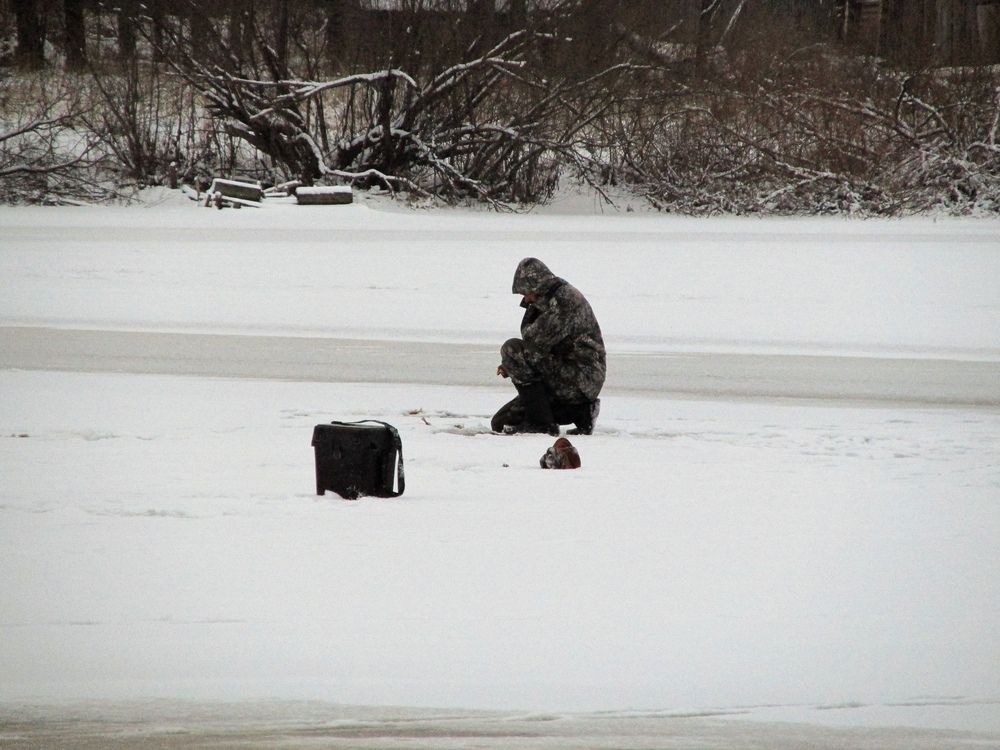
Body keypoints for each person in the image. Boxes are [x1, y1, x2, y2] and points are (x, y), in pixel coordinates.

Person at [492, 257, 605, 435]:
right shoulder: (544, 300)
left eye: (527, 292)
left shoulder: (564, 300)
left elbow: (534, 339)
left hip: (581, 377)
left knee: (512, 350)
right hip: (560, 373)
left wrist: (510, 364)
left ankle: (541, 424)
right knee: (501, 422)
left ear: (538, 285)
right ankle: (582, 412)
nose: (526, 298)